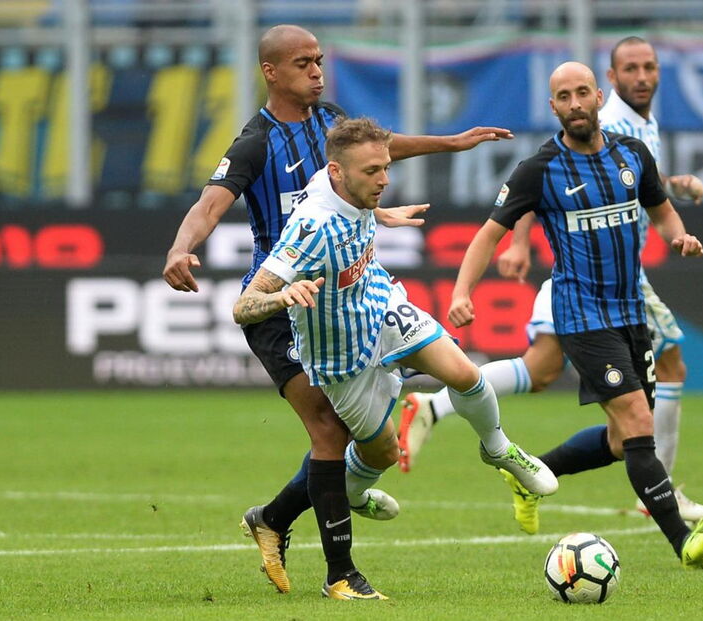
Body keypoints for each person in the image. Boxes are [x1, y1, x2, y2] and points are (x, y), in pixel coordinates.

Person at [162, 24, 516, 599]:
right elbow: (209, 202)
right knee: (328, 428)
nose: (317, 70)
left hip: (344, 300)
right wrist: (182, 247)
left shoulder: (331, 120)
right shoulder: (256, 143)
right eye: (303, 62)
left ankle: (274, 517)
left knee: (369, 440)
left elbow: (384, 146)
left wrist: (452, 143)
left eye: (320, 60)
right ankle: (341, 575)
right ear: (271, 72)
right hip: (279, 307)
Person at [233, 117, 558, 598]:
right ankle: (355, 495)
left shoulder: (343, 184)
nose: (384, 179)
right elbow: (242, 308)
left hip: (382, 307)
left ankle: (497, 447)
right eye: (373, 172)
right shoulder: (310, 227)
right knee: (381, 451)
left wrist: (379, 213)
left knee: (464, 373)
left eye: (385, 167)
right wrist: (282, 297)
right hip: (340, 355)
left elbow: (361, 199)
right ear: (337, 173)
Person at [398, 36, 703, 525]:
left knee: (543, 371)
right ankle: (662, 494)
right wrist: (520, 243)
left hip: (609, 275)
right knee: (668, 368)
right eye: (630, 68)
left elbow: (635, 178)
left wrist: (674, 190)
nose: (642, 76)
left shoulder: (637, 131)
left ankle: (461, 424)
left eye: (649, 66)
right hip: (595, 280)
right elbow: (540, 185)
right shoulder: (597, 121)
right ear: (608, 83)